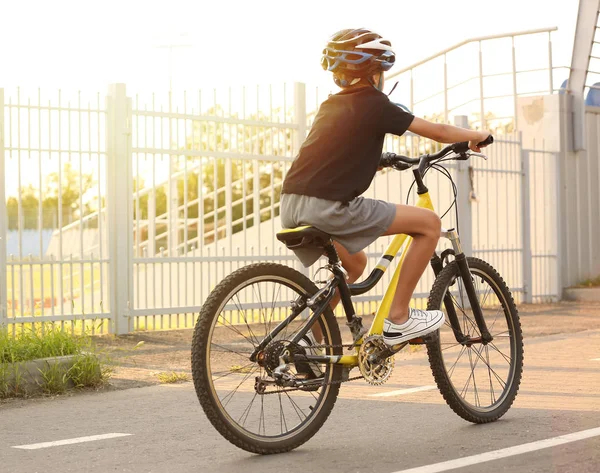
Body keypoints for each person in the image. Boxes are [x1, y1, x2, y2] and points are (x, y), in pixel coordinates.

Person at [280, 28, 491, 349]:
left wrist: (377, 159)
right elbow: (438, 130)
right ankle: (399, 316)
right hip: (328, 206)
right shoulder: (376, 104)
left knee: (356, 264)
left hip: (291, 205)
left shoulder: (331, 105)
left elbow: (335, 148)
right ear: (375, 72)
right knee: (429, 223)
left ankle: (311, 342)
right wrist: (476, 134)